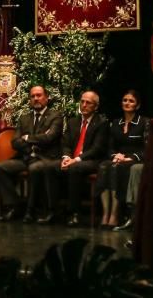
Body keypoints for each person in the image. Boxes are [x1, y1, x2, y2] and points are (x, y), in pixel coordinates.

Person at [0, 84, 63, 223]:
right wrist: (32, 144)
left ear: (47, 98)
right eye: (33, 96)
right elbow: (15, 142)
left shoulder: (55, 116)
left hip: (46, 158)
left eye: (39, 95)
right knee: (0, 167)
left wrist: (27, 138)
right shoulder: (24, 118)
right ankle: (15, 206)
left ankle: (32, 211)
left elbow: (50, 138)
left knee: (35, 168)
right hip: (26, 157)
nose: (36, 98)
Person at [46, 90, 108, 226]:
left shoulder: (101, 123)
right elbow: (66, 143)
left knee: (75, 168)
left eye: (88, 103)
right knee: (50, 167)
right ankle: (53, 211)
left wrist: (76, 159)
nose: (84, 105)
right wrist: (66, 157)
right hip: (73, 159)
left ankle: (75, 213)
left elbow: (97, 149)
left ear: (96, 107)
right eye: (82, 101)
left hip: (92, 160)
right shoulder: (73, 121)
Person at [96, 90, 147, 228]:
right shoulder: (116, 122)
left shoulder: (143, 122)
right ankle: (105, 213)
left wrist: (129, 158)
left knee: (116, 169)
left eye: (131, 101)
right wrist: (115, 155)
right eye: (125, 100)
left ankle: (115, 214)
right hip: (118, 158)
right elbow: (110, 147)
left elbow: (146, 148)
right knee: (104, 166)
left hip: (134, 160)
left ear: (137, 105)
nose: (127, 103)